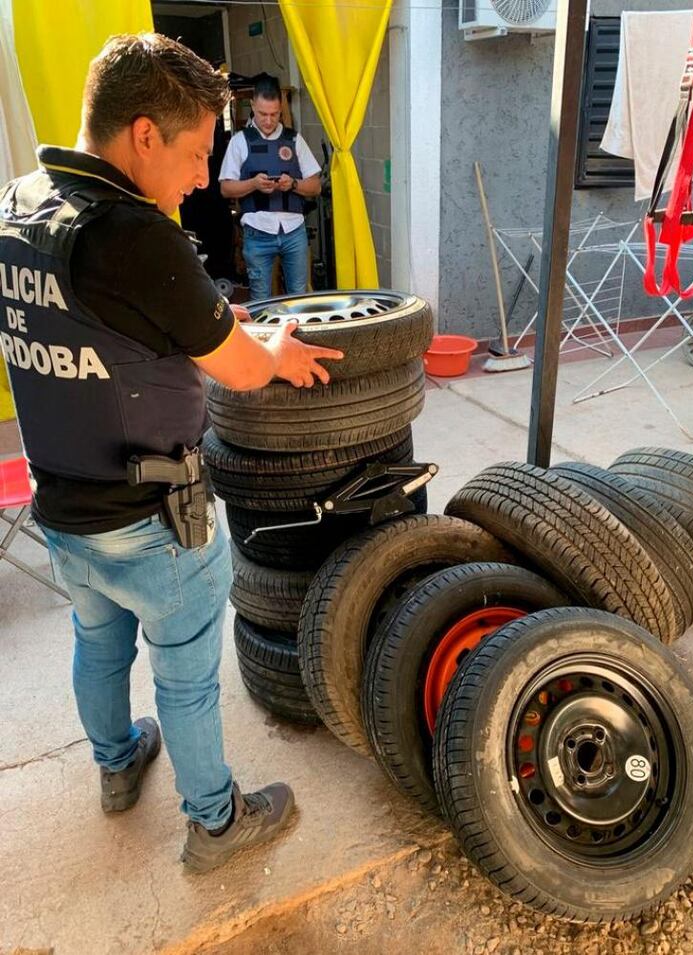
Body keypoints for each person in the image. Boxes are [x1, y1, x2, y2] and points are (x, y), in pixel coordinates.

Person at [0, 33, 342, 874]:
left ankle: (118, 767)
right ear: (143, 134)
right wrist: (275, 352)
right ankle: (217, 824)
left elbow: (114, 328)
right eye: (194, 153)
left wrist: (233, 335)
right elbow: (235, 364)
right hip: (152, 519)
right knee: (186, 677)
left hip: (63, 510)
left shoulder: (20, 204)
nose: (200, 176)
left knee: (97, 642)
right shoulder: (133, 237)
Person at [219, 72, 321, 302]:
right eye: (263, 114)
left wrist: (293, 184)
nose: (268, 120)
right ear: (253, 105)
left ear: (280, 108)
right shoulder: (240, 141)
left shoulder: (294, 139)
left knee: (299, 298)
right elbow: (226, 188)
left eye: (274, 114)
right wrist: (253, 184)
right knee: (261, 300)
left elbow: (315, 185)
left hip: (294, 230)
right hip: (257, 231)